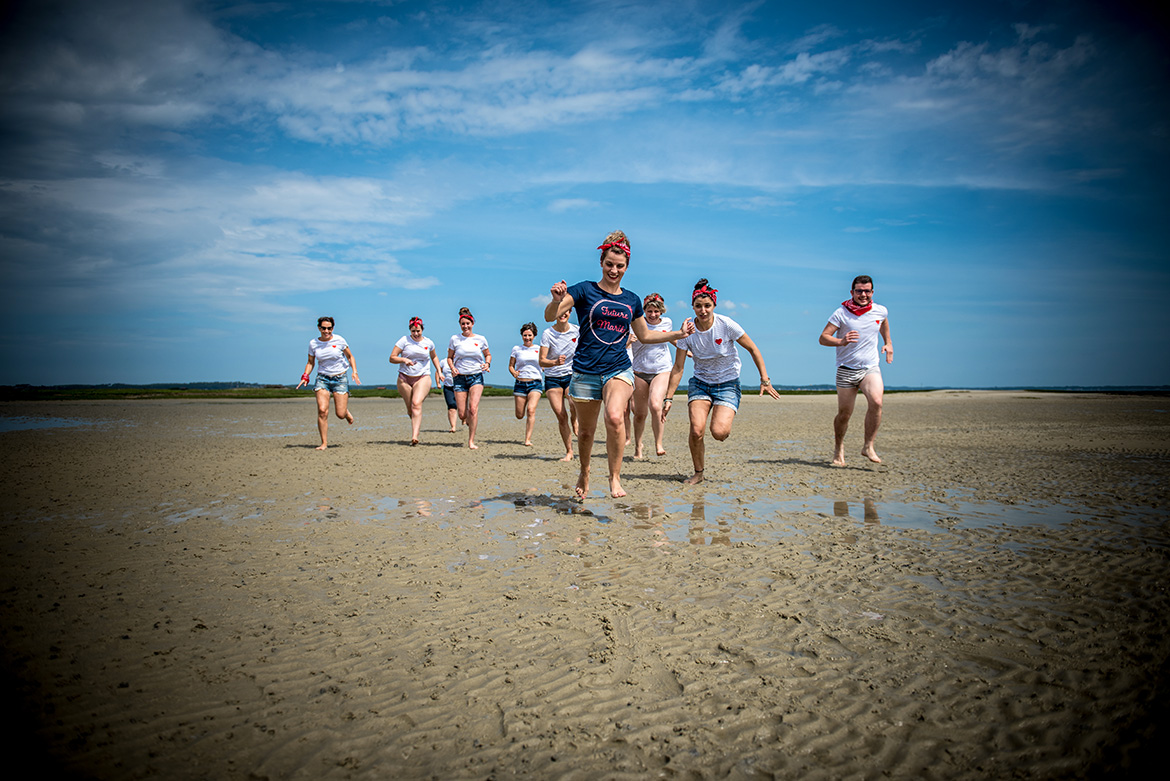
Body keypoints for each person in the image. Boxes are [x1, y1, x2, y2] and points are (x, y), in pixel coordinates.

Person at [544, 229, 694, 499]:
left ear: (627, 266)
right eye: (609, 265)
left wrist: (678, 335)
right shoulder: (583, 290)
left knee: (614, 417)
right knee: (587, 433)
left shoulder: (632, 300)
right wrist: (555, 300)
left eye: (620, 266)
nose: (614, 270)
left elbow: (646, 335)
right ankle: (585, 471)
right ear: (601, 263)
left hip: (618, 368)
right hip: (586, 370)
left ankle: (614, 478)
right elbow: (549, 315)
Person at [663, 279, 781, 485]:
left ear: (714, 306)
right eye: (698, 306)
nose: (703, 310)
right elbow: (678, 368)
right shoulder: (687, 331)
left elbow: (753, 349)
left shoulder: (726, 325)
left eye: (707, 306)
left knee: (719, 432)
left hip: (728, 383)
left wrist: (765, 379)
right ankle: (698, 473)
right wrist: (668, 397)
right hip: (700, 383)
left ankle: (722, 421)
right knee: (696, 430)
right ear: (692, 307)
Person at [819, 274, 893, 465]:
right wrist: (841, 341)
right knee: (844, 414)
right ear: (852, 292)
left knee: (876, 402)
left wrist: (888, 343)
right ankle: (839, 449)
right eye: (859, 291)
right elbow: (823, 337)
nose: (863, 294)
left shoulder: (880, 311)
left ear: (872, 292)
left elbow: (883, 322)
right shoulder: (841, 313)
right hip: (846, 369)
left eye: (867, 291)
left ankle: (868, 446)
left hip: (870, 367)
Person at [296, 316, 361, 450]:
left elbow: (350, 356)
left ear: (332, 328)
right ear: (319, 328)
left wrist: (354, 371)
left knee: (340, 414)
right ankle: (324, 443)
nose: (326, 331)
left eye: (329, 328)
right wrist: (305, 376)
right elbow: (310, 362)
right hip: (322, 379)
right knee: (322, 411)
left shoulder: (339, 340)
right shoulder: (313, 343)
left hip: (340, 378)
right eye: (324, 328)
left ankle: (345, 413)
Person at [629, 292, 674, 458]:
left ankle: (658, 443)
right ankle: (638, 446)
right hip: (640, 371)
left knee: (655, 405)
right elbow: (625, 342)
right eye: (649, 311)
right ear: (644, 311)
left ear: (661, 311)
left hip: (661, 369)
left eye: (656, 311)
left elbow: (670, 338)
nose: (653, 315)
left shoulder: (667, 323)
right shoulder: (635, 324)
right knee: (639, 414)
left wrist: (686, 349)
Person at [389, 316, 444, 446]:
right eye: (413, 331)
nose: (416, 334)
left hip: (423, 377)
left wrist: (439, 371)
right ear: (410, 330)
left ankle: (414, 436)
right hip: (404, 378)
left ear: (422, 329)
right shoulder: (404, 341)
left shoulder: (428, 343)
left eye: (418, 331)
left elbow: (434, 357)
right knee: (410, 409)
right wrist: (404, 360)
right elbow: (392, 358)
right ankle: (415, 423)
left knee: (416, 403)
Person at [447, 307, 491, 449]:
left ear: (472, 324)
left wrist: (487, 363)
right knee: (461, 414)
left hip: (476, 377)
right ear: (460, 324)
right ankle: (465, 420)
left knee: (473, 409)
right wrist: (452, 367)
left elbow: (488, 354)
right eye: (463, 324)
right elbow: (449, 357)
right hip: (459, 378)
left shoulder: (481, 339)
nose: (465, 326)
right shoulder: (455, 339)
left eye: (468, 323)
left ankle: (471, 441)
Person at [539, 309, 579, 461]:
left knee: (573, 403)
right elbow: (542, 360)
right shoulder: (548, 333)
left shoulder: (577, 331)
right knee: (561, 416)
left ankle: (575, 419)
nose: (563, 314)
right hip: (552, 378)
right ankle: (569, 451)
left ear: (570, 312)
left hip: (571, 375)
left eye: (566, 311)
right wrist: (554, 362)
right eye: (560, 312)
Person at [509, 322, 544, 446]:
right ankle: (526, 436)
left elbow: (545, 362)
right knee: (519, 415)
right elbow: (511, 366)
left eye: (529, 335)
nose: (527, 338)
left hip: (536, 383)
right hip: (520, 384)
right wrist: (514, 373)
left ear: (534, 336)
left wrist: (545, 367)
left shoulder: (539, 349)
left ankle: (527, 439)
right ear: (522, 336)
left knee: (531, 410)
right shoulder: (516, 349)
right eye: (525, 335)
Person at [441, 368, 460, 433]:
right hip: (448, 386)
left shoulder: (461, 359)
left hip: (461, 386)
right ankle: (453, 426)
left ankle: (464, 418)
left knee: (462, 406)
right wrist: (438, 382)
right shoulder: (443, 362)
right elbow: (438, 371)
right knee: (452, 405)